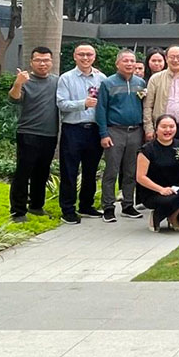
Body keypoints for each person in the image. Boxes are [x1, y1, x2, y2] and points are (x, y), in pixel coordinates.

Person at [56, 42, 107, 223]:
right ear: (74, 57)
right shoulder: (66, 78)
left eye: (89, 54)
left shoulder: (101, 78)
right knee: (69, 170)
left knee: (91, 171)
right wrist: (82, 104)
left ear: (94, 57)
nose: (85, 58)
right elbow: (61, 103)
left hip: (94, 130)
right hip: (73, 129)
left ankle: (86, 205)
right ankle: (68, 209)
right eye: (81, 54)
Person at [8, 47, 60, 223]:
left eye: (46, 60)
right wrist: (18, 83)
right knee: (23, 172)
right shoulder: (25, 80)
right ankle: (18, 211)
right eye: (38, 60)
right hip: (28, 133)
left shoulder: (57, 81)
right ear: (31, 62)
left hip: (50, 134)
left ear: (51, 62)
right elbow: (14, 98)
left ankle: (36, 206)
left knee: (42, 172)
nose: (42, 63)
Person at [96, 49, 147, 222]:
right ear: (117, 63)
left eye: (132, 61)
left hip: (136, 131)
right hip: (114, 131)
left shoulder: (140, 83)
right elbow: (101, 109)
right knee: (111, 170)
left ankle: (128, 204)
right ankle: (108, 207)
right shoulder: (107, 83)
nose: (129, 64)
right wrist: (104, 134)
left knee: (131, 171)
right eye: (125, 60)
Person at [136, 114, 179, 232]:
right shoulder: (147, 150)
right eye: (164, 127)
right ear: (156, 129)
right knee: (168, 199)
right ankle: (156, 216)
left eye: (171, 126)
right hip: (153, 191)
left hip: (173, 188)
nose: (168, 130)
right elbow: (140, 177)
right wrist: (161, 189)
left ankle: (173, 218)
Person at [143, 46, 179, 146]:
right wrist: (149, 128)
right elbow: (148, 106)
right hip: (162, 128)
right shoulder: (155, 79)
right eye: (172, 57)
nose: (175, 60)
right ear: (166, 58)